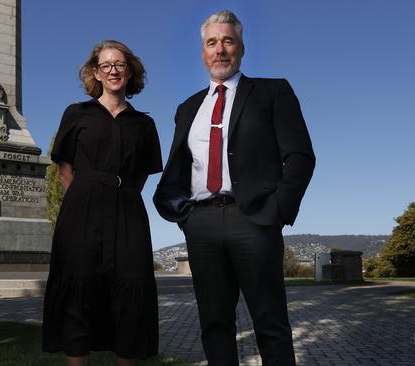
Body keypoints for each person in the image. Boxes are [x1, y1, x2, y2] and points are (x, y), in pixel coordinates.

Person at [153, 10, 315, 366]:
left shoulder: (273, 91)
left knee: (270, 324)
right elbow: (180, 168)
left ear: (241, 48)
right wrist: (187, 218)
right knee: (214, 326)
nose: (220, 49)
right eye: (212, 43)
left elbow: (301, 156)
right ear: (202, 52)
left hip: (254, 221)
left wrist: (275, 212)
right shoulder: (187, 108)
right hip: (202, 226)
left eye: (228, 41)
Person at [43, 40, 162, 366]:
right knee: (78, 293)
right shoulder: (76, 113)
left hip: (127, 212)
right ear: (96, 72)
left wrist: (118, 192)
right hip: (81, 212)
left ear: (129, 70)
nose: (113, 70)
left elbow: (142, 175)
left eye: (119, 64)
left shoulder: (144, 124)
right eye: (106, 65)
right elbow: (64, 169)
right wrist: (85, 197)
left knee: (130, 292)